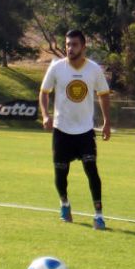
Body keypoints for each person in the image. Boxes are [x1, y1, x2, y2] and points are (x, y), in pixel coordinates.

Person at [39, 30, 111, 230]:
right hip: (61, 130)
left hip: (85, 131)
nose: (70, 48)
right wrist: (45, 115)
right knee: (61, 174)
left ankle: (98, 215)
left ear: (83, 47)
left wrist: (106, 121)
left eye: (74, 45)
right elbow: (44, 92)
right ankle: (64, 204)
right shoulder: (56, 68)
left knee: (92, 171)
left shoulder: (94, 69)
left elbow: (103, 94)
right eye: (68, 44)